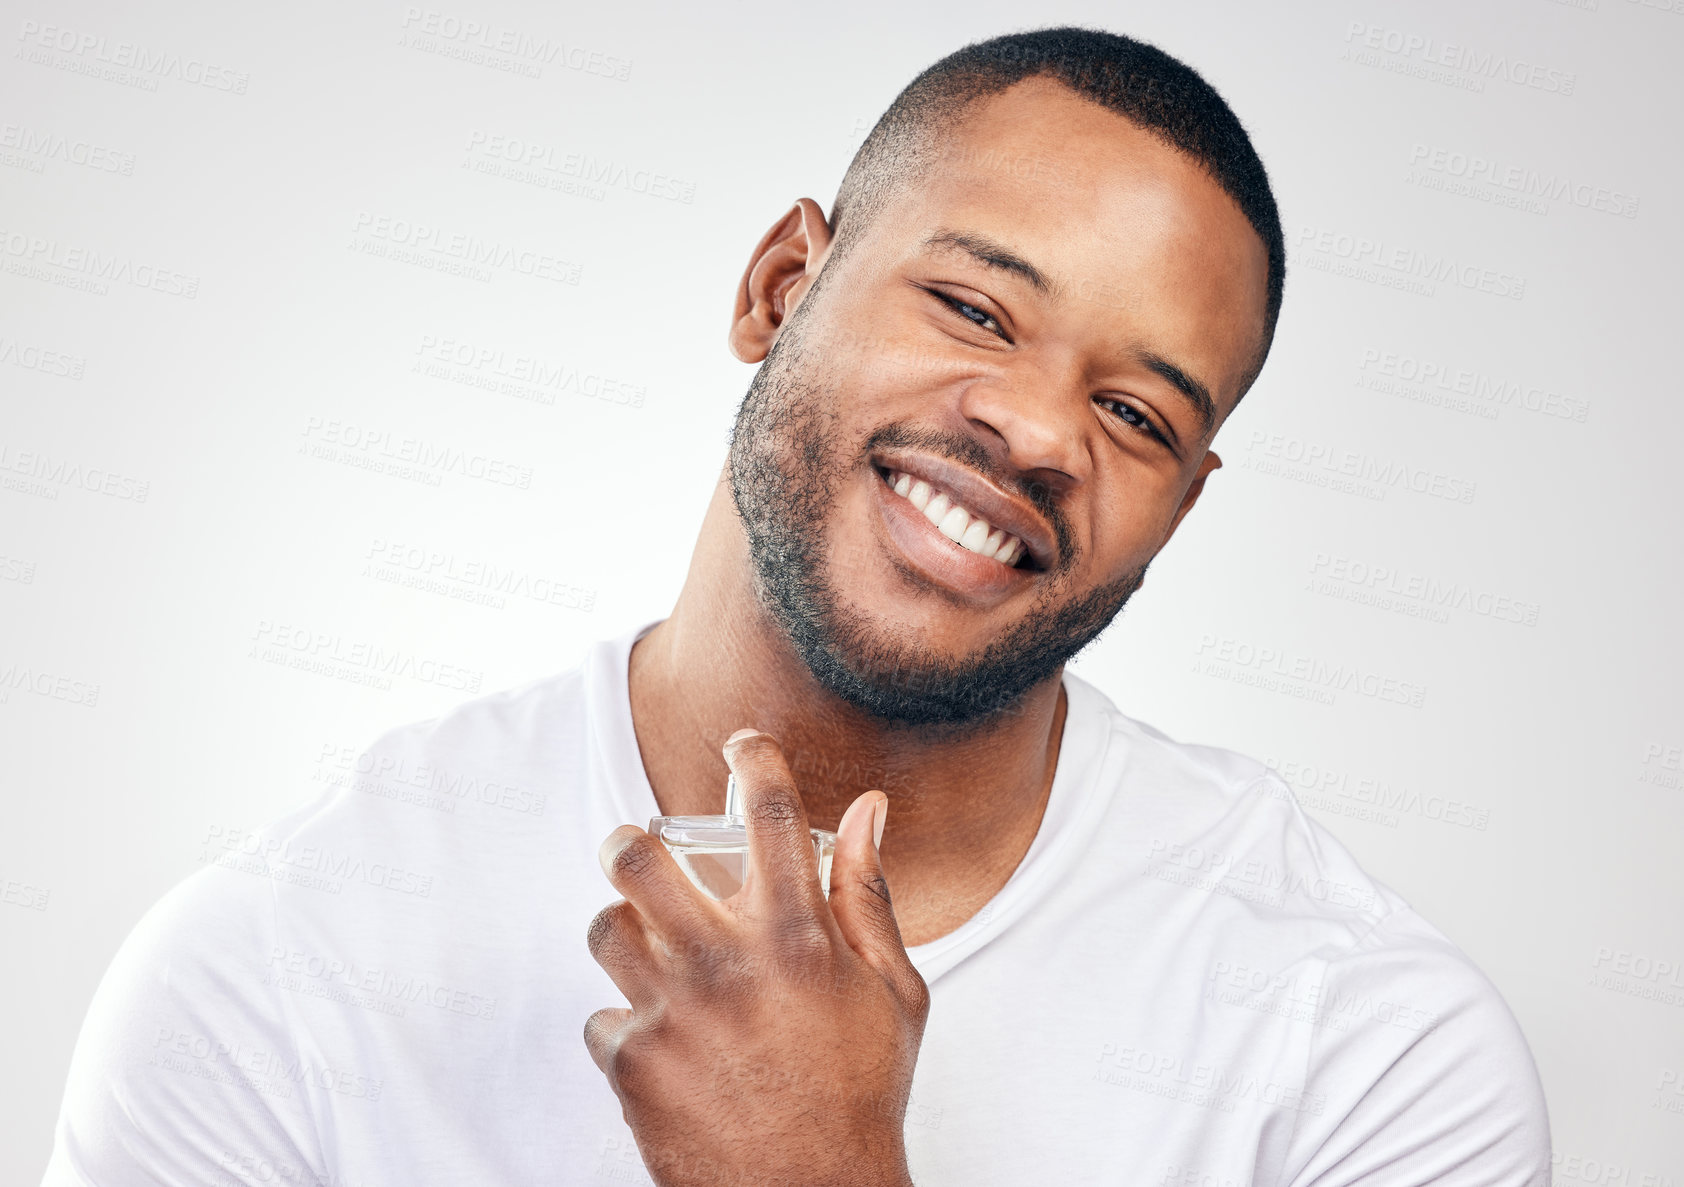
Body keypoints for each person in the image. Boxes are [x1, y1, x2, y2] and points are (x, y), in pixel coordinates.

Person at [42, 26, 1550, 1187]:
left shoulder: (1370, 1062)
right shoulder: (276, 973)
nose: (1035, 431)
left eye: (1137, 413)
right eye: (971, 306)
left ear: (1184, 505)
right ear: (781, 283)